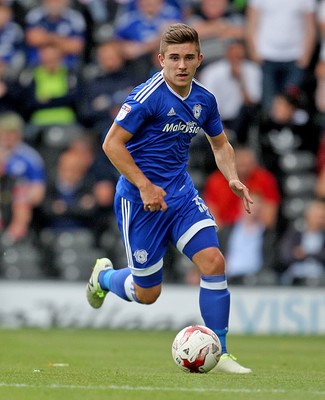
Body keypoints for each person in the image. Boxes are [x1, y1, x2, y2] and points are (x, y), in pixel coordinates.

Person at [86, 23, 253, 374]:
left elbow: (220, 143)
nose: (181, 65)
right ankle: (103, 278)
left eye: (188, 58)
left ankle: (220, 351)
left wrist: (233, 177)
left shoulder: (204, 100)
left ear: (199, 59)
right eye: (174, 57)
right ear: (161, 59)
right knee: (148, 293)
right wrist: (145, 185)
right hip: (140, 201)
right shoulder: (146, 96)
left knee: (213, 261)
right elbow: (111, 144)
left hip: (180, 195)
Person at [246, 0, 317, 119]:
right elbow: (251, 22)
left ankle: (290, 136)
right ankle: (268, 135)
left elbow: (310, 26)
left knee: (291, 104)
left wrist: (306, 56)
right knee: (268, 104)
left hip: (295, 57)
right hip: (266, 56)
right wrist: (254, 53)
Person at [199, 39, 262, 144]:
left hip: (241, 121)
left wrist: (241, 80)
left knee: (248, 110)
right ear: (227, 52)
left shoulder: (253, 70)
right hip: (217, 120)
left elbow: (252, 102)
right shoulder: (212, 72)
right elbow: (206, 103)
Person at [204, 145, 281, 229]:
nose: (243, 164)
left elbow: (269, 219)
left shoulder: (265, 179)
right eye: (240, 162)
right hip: (224, 232)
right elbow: (211, 216)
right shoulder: (215, 180)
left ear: (254, 162)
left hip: (256, 231)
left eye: (246, 162)